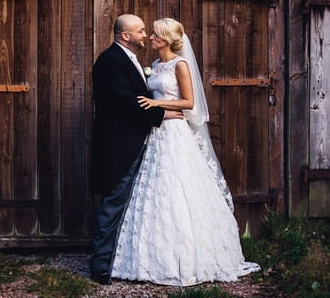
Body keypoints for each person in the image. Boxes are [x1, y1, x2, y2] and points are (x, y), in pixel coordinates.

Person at [110, 18, 260, 286]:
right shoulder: (154, 66)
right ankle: (151, 257)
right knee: (155, 190)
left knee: (179, 186)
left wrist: (157, 102)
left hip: (176, 134)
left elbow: (189, 102)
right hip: (155, 135)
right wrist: (157, 109)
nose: (150, 37)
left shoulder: (180, 64)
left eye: (155, 34)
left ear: (167, 39)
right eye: (149, 33)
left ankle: (191, 257)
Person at [89, 14, 183, 285]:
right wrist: (162, 115)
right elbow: (123, 101)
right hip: (119, 144)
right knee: (114, 201)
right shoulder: (110, 61)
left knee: (133, 202)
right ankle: (100, 265)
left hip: (139, 141)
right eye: (141, 31)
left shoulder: (133, 60)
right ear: (125, 35)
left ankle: (123, 259)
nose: (146, 35)